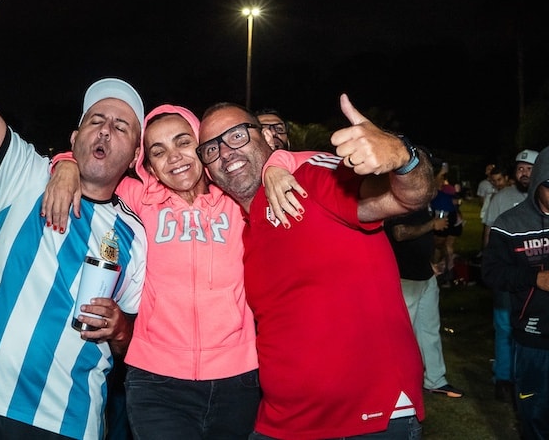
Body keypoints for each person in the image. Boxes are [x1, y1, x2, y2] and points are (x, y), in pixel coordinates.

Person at [0, 0, 148, 439]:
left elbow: (135, 335)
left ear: (135, 158)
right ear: (74, 139)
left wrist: (121, 327)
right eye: (96, 119)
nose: (106, 129)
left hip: (67, 420)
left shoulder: (136, 234)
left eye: (122, 127)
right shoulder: (28, 174)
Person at [41, 104, 310, 439]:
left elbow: (296, 160)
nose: (174, 157)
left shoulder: (237, 199)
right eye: (158, 151)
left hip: (238, 380)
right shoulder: (139, 199)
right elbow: (95, 168)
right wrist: (65, 163)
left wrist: (276, 166)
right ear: (149, 167)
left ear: (203, 147)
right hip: (156, 385)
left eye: (183, 142)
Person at [197, 96, 435, 439]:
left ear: (268, 137)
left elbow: (407, 197)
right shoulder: (245, 230)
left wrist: (403, 157)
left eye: (237, 135)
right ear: (208, 169)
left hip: (368, 418)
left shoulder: (309, 178)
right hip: (283, 421)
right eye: (211, 148)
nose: (225, 152)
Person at [482, 145, 549, 440]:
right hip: (533, 338)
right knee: (534, 413)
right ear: (539, 181)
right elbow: (491, 273)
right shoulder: (510, 224)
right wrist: (535, 278)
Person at [384, 152, 464, 399]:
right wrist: (432, 225)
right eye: (438, 175)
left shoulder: (423, 198)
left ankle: (435, 379)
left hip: (424, 274)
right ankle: (391, 385)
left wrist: (429, 263)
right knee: (400, 333)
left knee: (429, 329)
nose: (441, 180)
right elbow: (399, 233)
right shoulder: (401, 195)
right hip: (405, 276)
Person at [431, 162, 464, 286]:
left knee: (440, 246)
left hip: (447, 218)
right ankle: (447, 272)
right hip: (453, 219)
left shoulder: (441, 197)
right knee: (445, 246)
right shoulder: (436, 194)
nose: (443, 181)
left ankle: (440, 274)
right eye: (441, 177)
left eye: (444, 177)